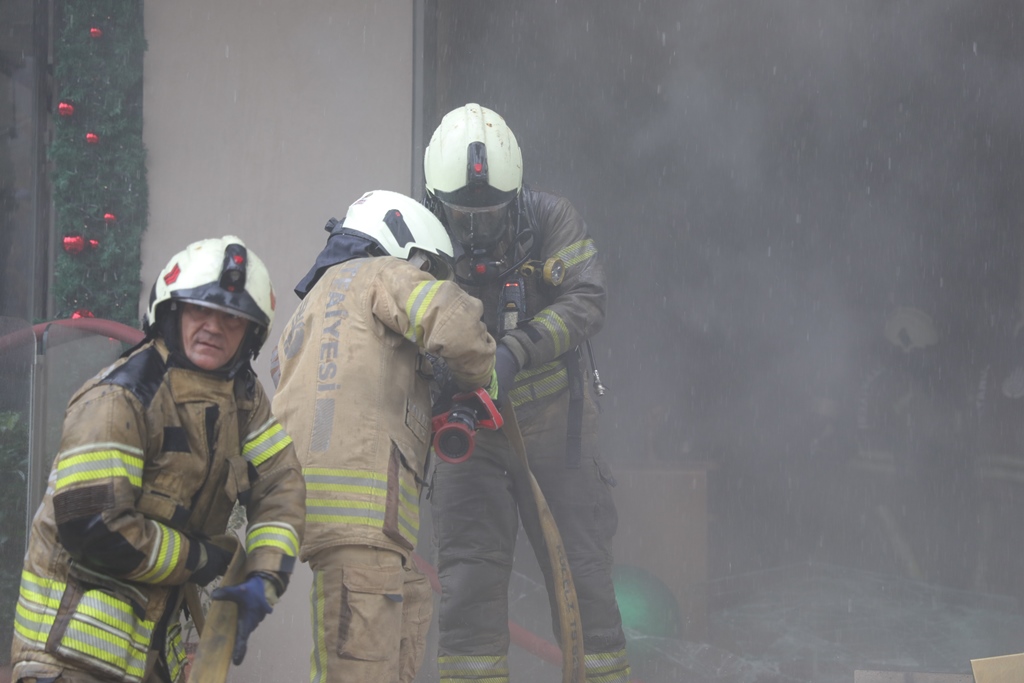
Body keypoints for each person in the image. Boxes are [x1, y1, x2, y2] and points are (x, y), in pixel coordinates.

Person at [10, 236, 306, 683]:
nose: (214, 327)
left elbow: (280, 482)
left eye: (232, 318)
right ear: (172, 312)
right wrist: (200, 558)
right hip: (68, 656)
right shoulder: (122, 396)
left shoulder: (242, 398)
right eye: (200, 310)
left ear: (251, 333)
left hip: (147, 655)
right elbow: (94, 528)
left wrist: (263, 578)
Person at [422, 103, 631, 683]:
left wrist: (517, 351)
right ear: (435, 200)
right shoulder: (419, 237)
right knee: (469, 586)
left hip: (555, 428)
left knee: (584, 579)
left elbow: (587, 299)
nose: (473, 231)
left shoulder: (551, 218)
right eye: (461, 215)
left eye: (489, 215)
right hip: (466, 432)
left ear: (516, 195)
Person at [270, 189, 498, 683]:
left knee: (408, 600)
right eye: (426, 267)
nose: (425, 276)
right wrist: (483, 372)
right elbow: (452, 321)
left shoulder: (309, 312)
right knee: (360, 671)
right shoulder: (379, 273)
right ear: (405, 247)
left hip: (322, 513)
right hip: (363, 513)